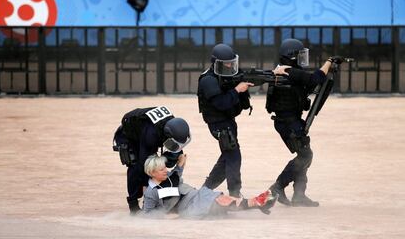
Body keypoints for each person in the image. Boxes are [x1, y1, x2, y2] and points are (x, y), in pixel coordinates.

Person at [266, 38, 343, 207]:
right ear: (291, 57)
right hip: (288, 122)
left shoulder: (289, 71)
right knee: (305, 155)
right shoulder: (288, 71)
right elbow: (314, 79)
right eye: (300, 55)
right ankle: (278, 186)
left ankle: (299, 195)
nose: (303, 58)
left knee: (304, 154)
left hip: (289, 121)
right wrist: (329, 62)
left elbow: (308, 82)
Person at [196, 43, 254, 198]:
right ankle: (235, 194)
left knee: (227, 158)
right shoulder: (208, 80)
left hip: (228, 121)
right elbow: (221, 103)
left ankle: (205, 191)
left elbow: (253, 75)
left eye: (231, 62)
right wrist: (237, 90)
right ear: (216, 63)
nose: (229, 66)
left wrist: (274, 72)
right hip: (218, 123)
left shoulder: (230, 73)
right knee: (234, 155)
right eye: (226, 63)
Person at [142, 154, 278, 218]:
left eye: (165, 167)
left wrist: (181, 158)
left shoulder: (169, 176)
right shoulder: (151, 192)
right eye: (161, 169)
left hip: (197, 194)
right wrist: (166, 216)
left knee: (224, 199)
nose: (166, 170)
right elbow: (147, 214)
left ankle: (257, 202)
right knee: (222, 203)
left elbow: (179, 169)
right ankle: (257, 203)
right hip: (189, 207)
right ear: (152, 173)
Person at [112, 106, 191, 214]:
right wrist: (147, 191)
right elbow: (144, 165)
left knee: (167, 161)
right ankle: (133, 205)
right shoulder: (151, 136)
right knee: (136, 166)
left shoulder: (174, 126)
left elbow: (177, 146)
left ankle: (159, 197)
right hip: (129, 135)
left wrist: (177, 157)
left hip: (146, 130)